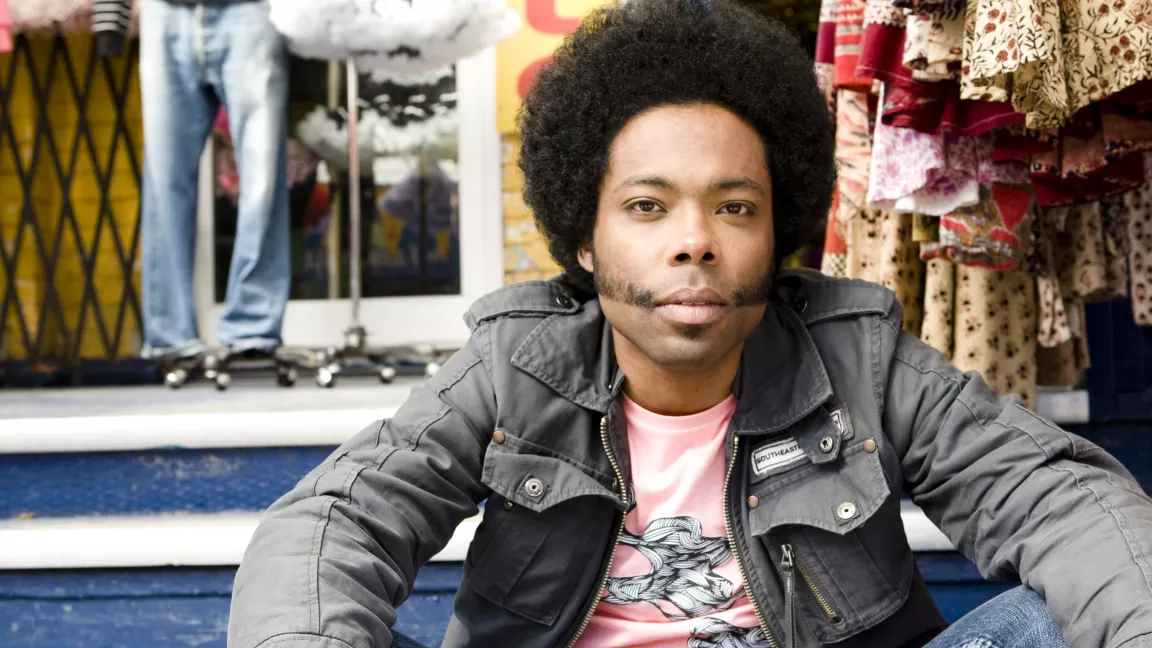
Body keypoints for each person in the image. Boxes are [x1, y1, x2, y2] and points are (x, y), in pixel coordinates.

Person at [227, 1, 1152, 647]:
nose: (695, 243)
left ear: (779, 230)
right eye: (646, 206)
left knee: (1044, 623)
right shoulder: (516, 364)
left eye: (736, 208)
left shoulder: (861, 359)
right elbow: (333, 524)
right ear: (582, 241)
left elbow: (1055, 496)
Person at [135, 0, 291, 360]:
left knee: (262, 176)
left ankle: (253, 327)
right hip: (165, 11)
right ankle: (170, 335)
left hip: (251, 8)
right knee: (164, 181)